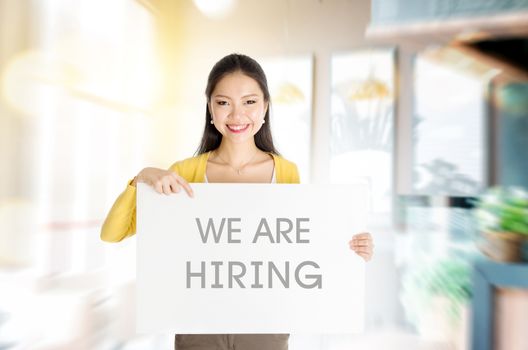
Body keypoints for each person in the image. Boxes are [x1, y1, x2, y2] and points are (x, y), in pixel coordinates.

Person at [101, 53, 374, 350]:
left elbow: (296, 248)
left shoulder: (286, 172)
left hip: (265, 326)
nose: (237, 115)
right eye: (223, 102)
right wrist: (141, 178)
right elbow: (112, 233)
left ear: (265, 107)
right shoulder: (183, 173)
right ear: (210, 108)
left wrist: (349, 248)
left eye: (249, 101)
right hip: (197, 327)